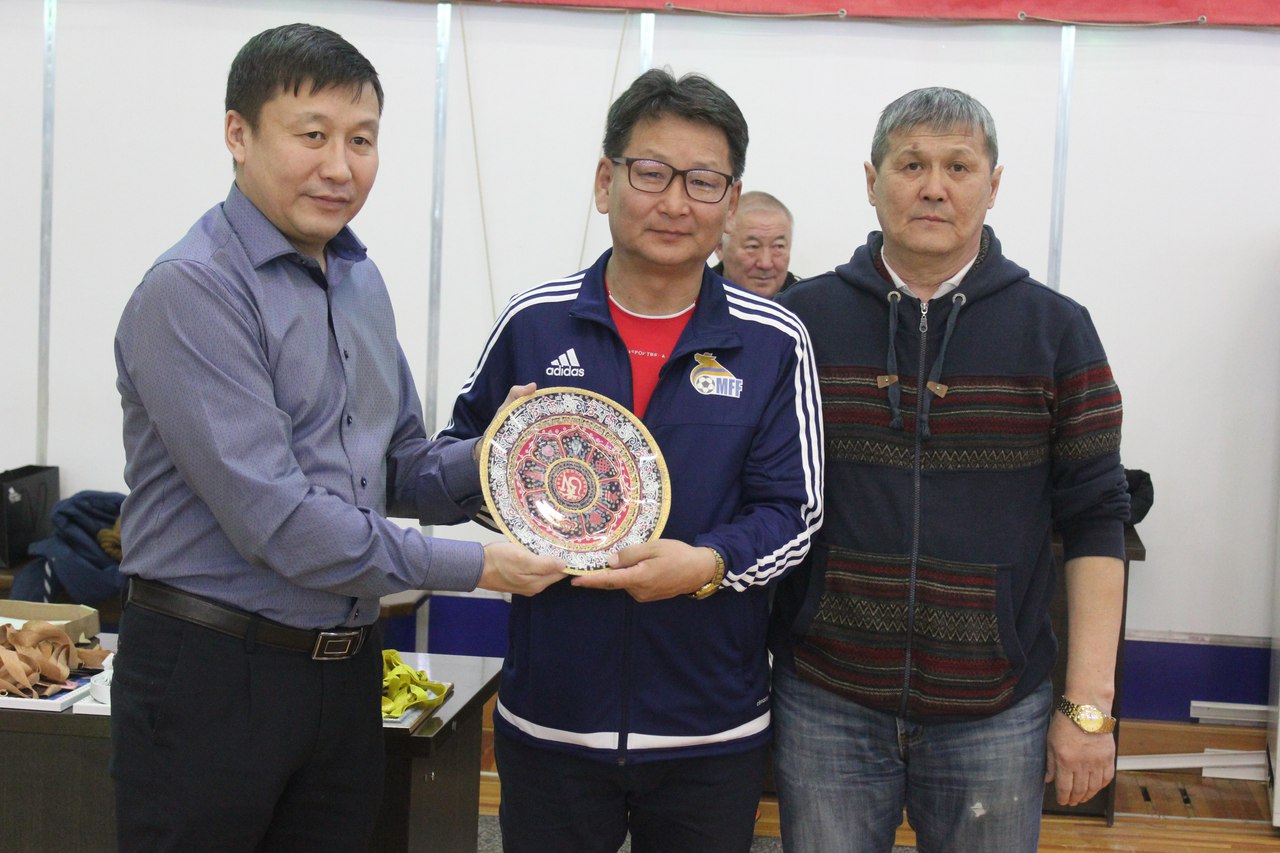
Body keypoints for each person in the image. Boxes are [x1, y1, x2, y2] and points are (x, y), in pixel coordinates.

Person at [110, 23, 564, 853]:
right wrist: (480, 566)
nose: (341, 166)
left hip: (345, 666)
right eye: (312, 135)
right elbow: (280, 521)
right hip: (213, 668)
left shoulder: (358, 279)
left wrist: (498, 455)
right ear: (238, 133)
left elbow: (396, 468)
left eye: (362, 139)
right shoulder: (193, 290)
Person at [437, 68, 824, 852]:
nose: (675, 202)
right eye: (651, 172)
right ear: (604, 181)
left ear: (730, 203)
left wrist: (707, 564)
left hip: (710, 726)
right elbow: (453, 461)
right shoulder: (536, 322)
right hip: (551, 717)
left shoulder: (774, 340)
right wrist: (512, 477)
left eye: (703, 181)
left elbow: (795, 511)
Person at [770, 86, 1130, 853]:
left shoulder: (1057, 332)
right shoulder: (801, 324)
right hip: (827, 698)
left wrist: (1089, 708)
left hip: (995, 709)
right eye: (912, 165)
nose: (934, 187)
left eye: (958, 167)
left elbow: (1098, 518)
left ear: (992, 185)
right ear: (872, 180)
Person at [713, 190, 798, 298]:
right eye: (753, 247)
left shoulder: (806, 302)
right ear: (719, 247)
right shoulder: (697, 299)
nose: (765, 264)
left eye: (778, 246)